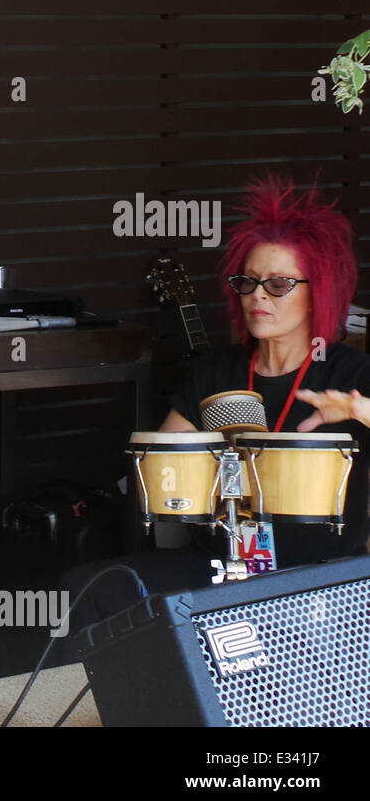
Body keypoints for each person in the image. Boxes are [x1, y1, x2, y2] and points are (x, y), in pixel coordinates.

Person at [65, 176, 370, 631]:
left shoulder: (351, 374)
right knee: (88, 591)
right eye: (248, 282)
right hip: (220, 563)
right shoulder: (217, 371)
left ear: (318, 291)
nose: (258, 295)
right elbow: (162, 468)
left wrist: (359, 412)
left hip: (315, 577)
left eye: (280, 283)